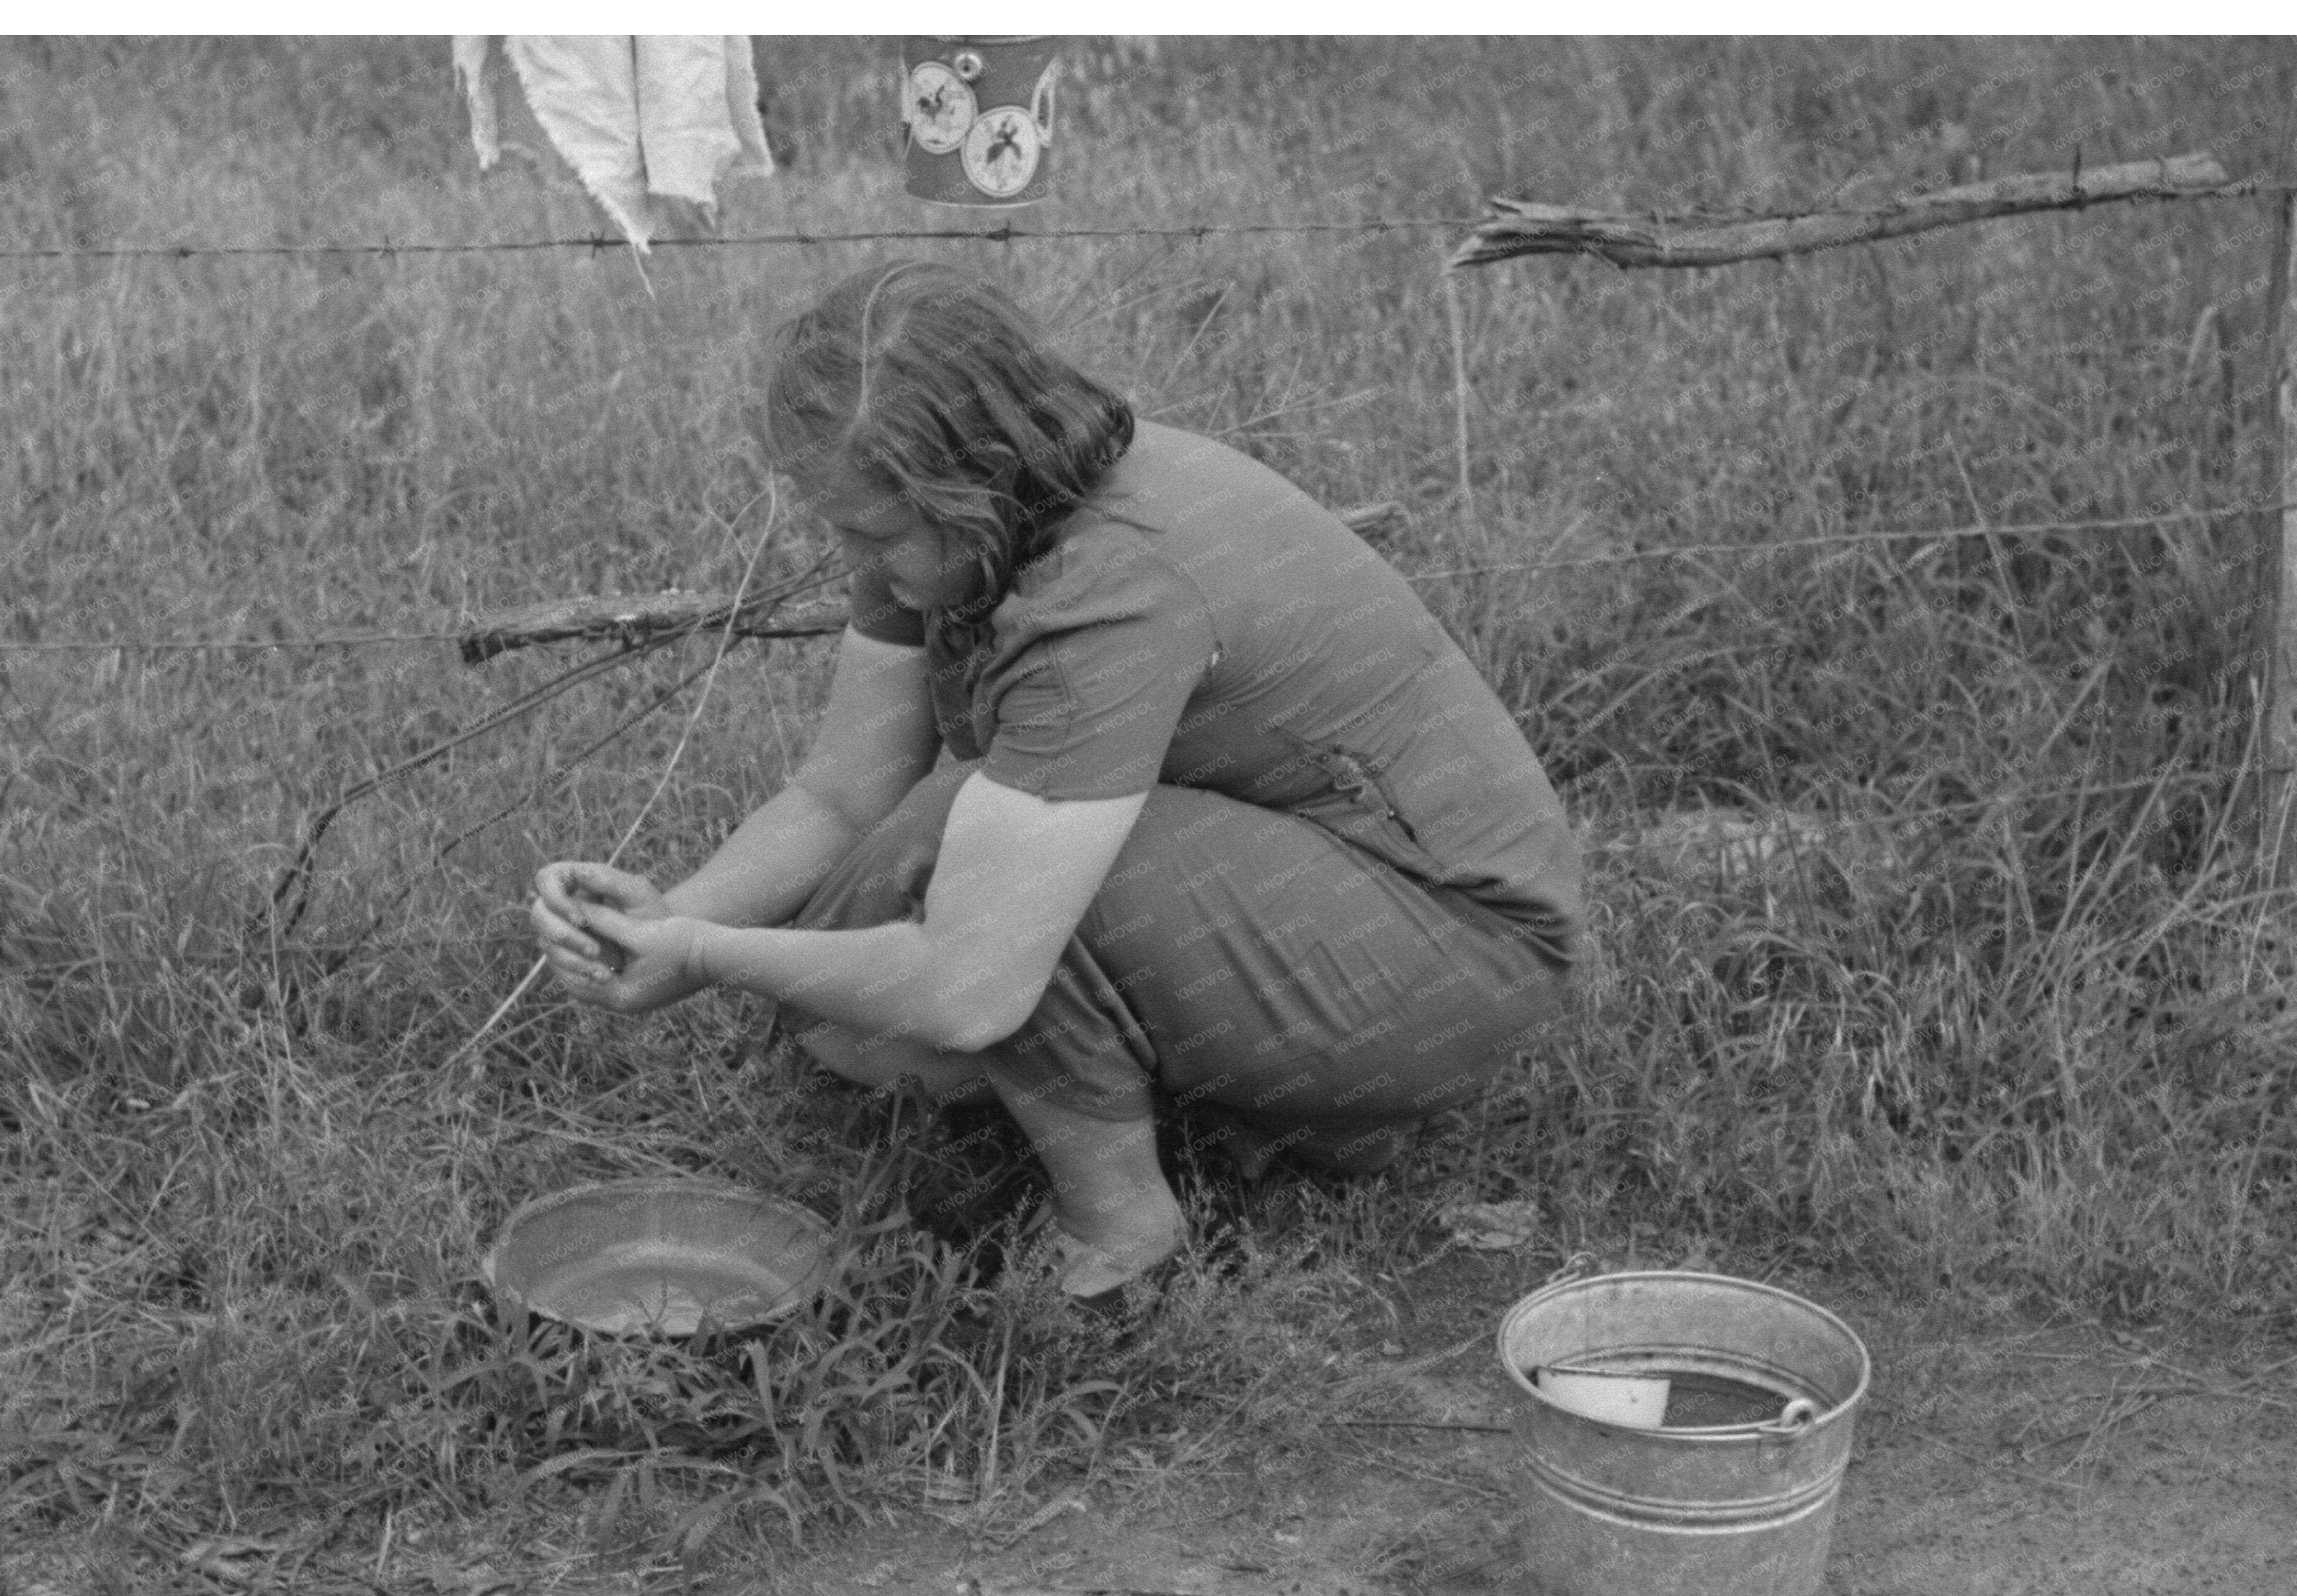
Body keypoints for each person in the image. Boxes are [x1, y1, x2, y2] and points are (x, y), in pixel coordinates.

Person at [530, 261, 1586, 1301]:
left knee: (978, 905)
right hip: (1298, 886)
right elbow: (840, 796)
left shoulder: (1110, 592)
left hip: (1459, 954)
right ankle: (1242, 1098)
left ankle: (1119, 1231)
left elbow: (970, 983)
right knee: (851, 1004)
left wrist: (711, 956)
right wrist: (673, 920)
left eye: (866, 532)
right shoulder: (974, 522)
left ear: (960, 485)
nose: (847, 553)